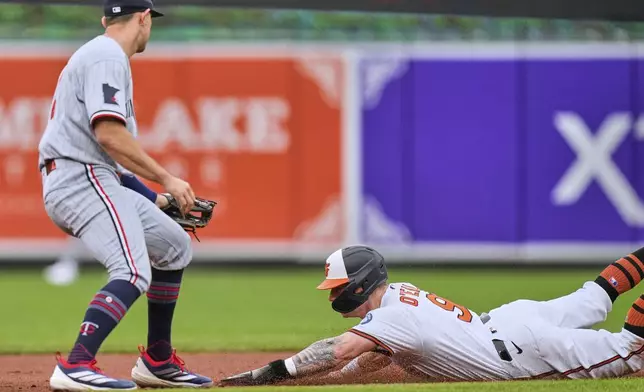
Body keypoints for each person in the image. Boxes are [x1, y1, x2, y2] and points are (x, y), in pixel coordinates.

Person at [38, 0, 212, 389]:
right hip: (79, 176)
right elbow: (109, 136)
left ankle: (157, 360)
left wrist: (156, 200)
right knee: (133, 271)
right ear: (144, 18)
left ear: (105, 19)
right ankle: (76, 364)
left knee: (173, 246)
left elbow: (112, 164)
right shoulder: (107, 56)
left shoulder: (99, 53)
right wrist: (168, 179)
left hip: (89, 174)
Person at [221, 245, 644, 385]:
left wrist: (273, 373)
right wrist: (328, 381)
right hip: (512, 320)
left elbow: (336, 350)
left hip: (521, 352)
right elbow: (373, 358)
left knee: (632, 352)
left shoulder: (388, 319)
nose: (333, 298)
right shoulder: (400, 295)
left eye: (336, 288)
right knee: (598, 292)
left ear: (359, 284)